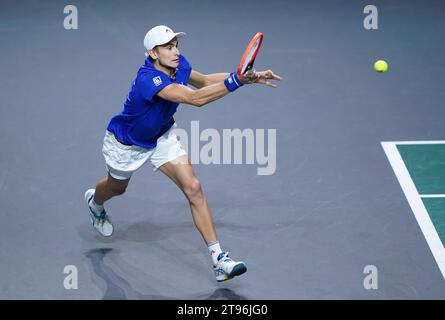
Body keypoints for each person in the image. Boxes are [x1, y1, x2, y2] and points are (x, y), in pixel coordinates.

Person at [84, 25, 281, 282]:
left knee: (194, 188)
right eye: (168, 47)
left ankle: (219, 259)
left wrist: (244, 77)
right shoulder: (148, 79)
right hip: (128, 143)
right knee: (116, 188)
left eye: (176, 45)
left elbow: (205, 80)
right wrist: (235, 82)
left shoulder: (179, 64)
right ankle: (94, 202)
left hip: (162, 136)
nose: (175, 51)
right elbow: (196, 99)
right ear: (153, 53)